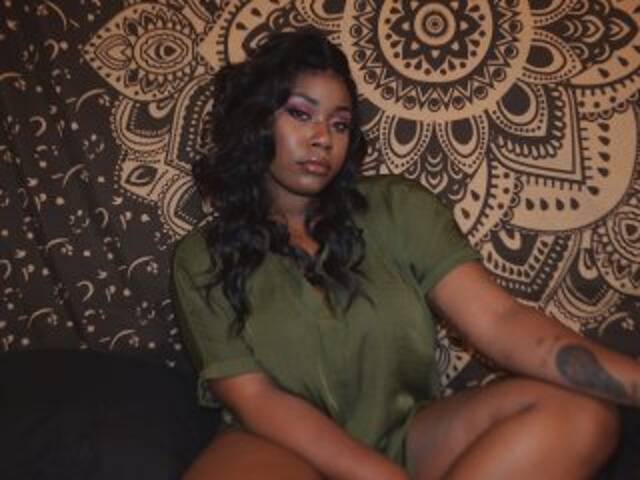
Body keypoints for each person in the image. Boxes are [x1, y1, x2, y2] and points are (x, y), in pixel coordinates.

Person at [171, 29, 634, 480]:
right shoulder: (201, 258)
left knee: (582, 416)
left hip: (406, 439)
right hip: (274, 446)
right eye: (300, 114)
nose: (323, 138)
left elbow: (500, 320)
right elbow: (256, 399)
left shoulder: (396, 208)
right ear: (255, 122)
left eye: (339, 123)